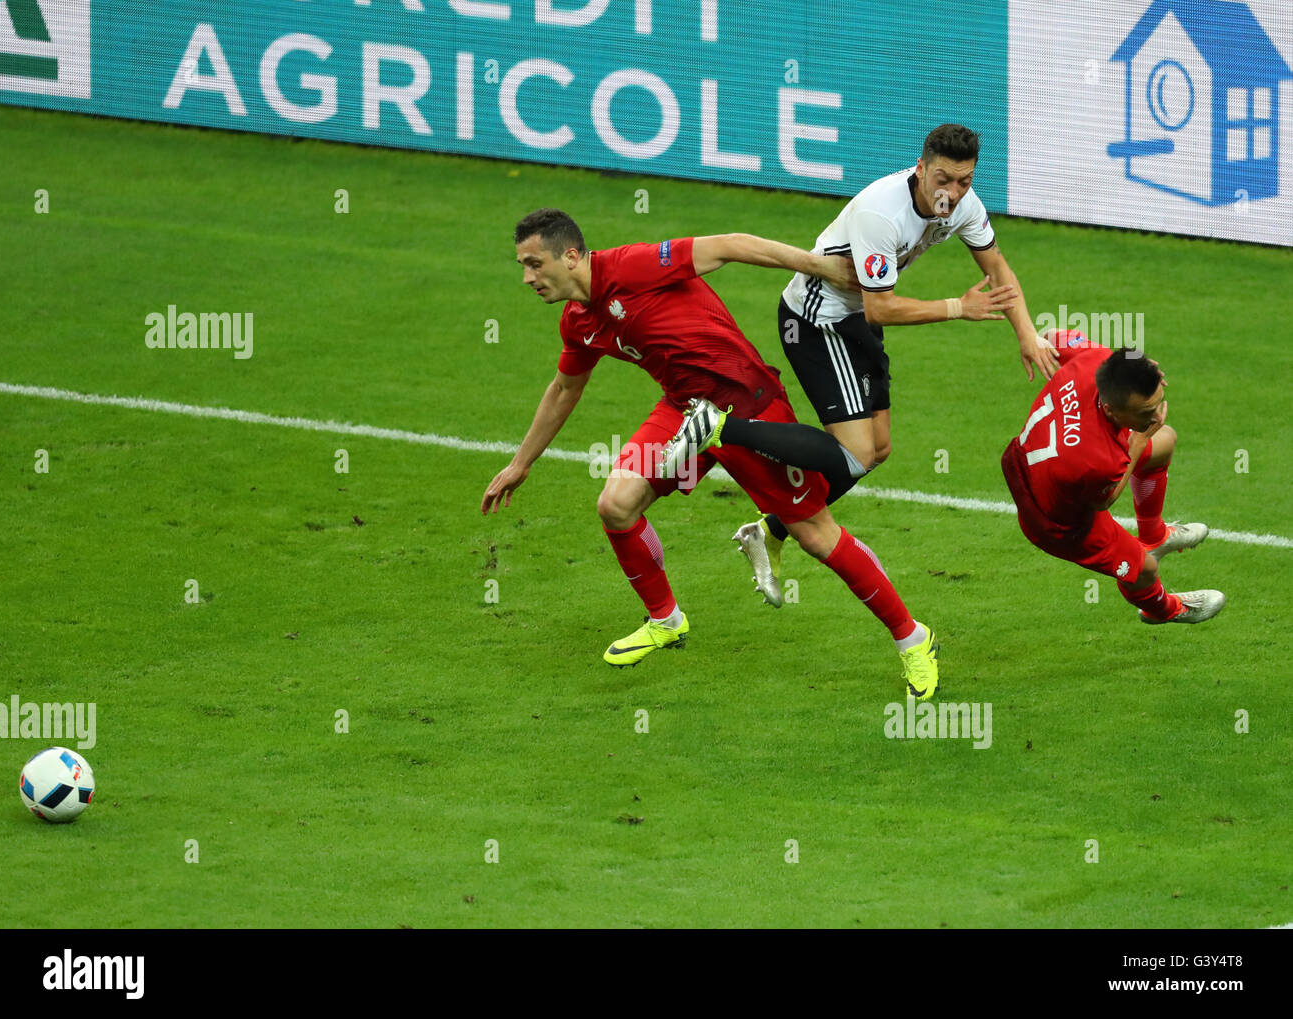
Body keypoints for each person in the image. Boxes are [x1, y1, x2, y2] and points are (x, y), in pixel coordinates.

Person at [481, 208, 941, 699]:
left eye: (534, 264)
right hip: (684, 413)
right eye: (522, 267)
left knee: (815, 535)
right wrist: (520, 463)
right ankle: (665, 620)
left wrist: (821, 266)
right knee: (616, 505)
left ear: (570, 256)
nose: (528, 277)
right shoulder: (578, 322)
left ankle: (914, 639)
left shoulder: (633, 266)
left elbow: (730, 243)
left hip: (749, 408)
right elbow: (562, 390)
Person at [667, 124, 1060, 607]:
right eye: (943, 179)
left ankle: (768, 528)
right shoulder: (882, 213)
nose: (952, 193)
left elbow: (997, 270)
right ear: (920, 169)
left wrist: (1026, 333)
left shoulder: (964, 206)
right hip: (818, 320)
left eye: (964, 181)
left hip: (854, 317)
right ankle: (719, 425)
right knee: (853, 452)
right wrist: (959, 307)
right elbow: (882, 309)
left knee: (878, 450)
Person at [999, 330, 1223, 624]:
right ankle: (1165, 610)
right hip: (1055, 520)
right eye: (1146, 411)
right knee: (1142, 569)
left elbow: (1052, 336)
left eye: (1158, 402)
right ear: (1110, 409)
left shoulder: (1097, 361)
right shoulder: (1097, 461)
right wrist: (1138, 443)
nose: (1157, 416)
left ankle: (1154, 535)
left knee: (1165, 440)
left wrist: (1137, 365)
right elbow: (1105, 500)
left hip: (1035, 462)